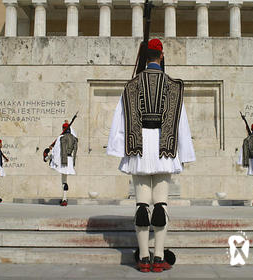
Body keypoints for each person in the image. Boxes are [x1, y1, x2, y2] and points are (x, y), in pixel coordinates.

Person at [107, 38, 196, 273]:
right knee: (161, 204)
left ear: (145, 56)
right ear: (162, 56)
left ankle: (143, 258)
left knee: (141, 205)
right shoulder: (174, 86)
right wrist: (184, 152)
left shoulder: (131, 86)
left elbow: (121, 119)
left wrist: (118, 149)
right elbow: (181, 123)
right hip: (164, 147)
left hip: (139, 147)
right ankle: (158, 258)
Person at [49, 122, 78, 206]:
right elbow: (75, 151)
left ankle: (64, 199)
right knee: (65, 180)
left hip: (63, 160)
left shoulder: (61, 137)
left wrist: (51, 157)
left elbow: (57, 151)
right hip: (70, 159)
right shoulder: (74, 138)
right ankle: (64, 198)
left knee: (64, 181)